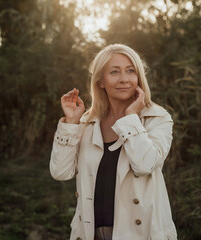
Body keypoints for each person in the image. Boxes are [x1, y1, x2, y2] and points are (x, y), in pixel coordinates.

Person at [50, 44, 177, 240]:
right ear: (101, 81)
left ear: (139, 77)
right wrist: (71, 123)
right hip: (90, 232)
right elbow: (60, 172)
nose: (124, 79)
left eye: (130, 71)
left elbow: (145, 165)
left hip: (140, 234)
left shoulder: (157, 118)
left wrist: (130, 118)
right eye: (114, 72)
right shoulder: (87, 122)